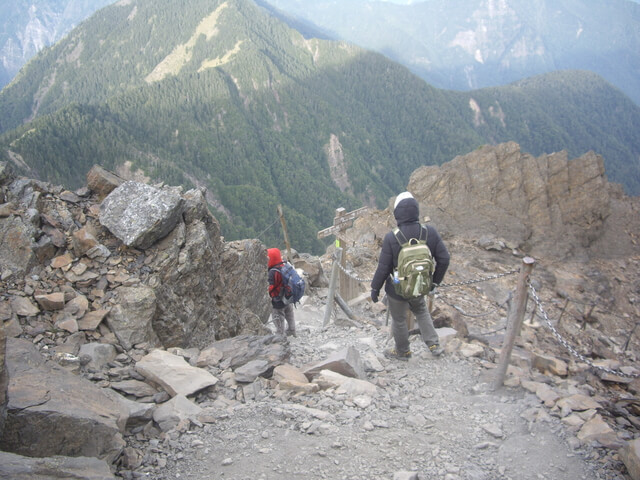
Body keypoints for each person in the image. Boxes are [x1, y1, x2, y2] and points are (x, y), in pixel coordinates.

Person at [370, 191, 450, 360]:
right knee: (421, 311)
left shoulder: (392, 237)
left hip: (397, 289)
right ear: (416, 210)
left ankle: (403, 351)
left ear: (397, 213)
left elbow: (383, 268)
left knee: (398, 319)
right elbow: (444, 259)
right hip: (419, 285)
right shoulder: (429, 232)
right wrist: (434, 282)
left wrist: (375, 288)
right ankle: (434, 344)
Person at [267, 247, 296, 337]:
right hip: (288, 297)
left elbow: (271, 287)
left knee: (278, 317)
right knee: (289, 315)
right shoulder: (284, 265)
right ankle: (292, 330)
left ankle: (280, 335)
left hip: (277, 300)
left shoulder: (272, 272)